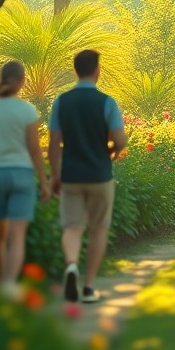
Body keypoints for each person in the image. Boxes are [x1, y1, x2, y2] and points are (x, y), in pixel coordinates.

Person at [48, 49, 128, 304]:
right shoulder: (107, 102)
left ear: (76, 71)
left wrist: (54, 175)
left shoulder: (62, 102)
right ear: (97, 71)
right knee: (98, 229)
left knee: (72, 227)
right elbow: (120, 139)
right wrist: (112, 152)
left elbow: (53, 144)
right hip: (99, 175)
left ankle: (71, 265)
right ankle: (89, 287)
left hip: (71, 174)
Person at [0, 61, 50, 290]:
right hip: (21, 175)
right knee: (17, 236)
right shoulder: (26, 110)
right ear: (22, 82)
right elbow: (35, 150)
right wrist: (44, 182)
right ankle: (9, 284)